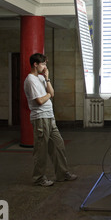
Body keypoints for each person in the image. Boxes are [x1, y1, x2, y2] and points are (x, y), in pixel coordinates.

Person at [23, 53, 77, 187]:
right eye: (43, 64)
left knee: (59, 146)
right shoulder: (30, 80)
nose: (45, 67)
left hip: (49, 116)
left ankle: (62, 174)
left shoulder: (41, 78)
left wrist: (47, 78)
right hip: (40, 118)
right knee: (41, 150)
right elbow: (40, 100)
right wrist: (48, 94)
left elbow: (52, 93)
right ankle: (39, 178)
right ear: (35, 64)